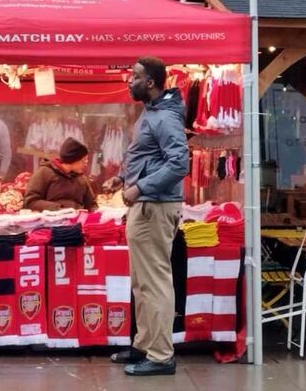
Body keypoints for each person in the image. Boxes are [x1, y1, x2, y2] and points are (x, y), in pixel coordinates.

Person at [103, 57, 189, 377]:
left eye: (135, 77)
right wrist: (122, 178)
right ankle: (144, 345)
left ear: (150, 83)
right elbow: (145, 155)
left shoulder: (164, 117)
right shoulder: (150, 112)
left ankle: (162, 355)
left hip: (155, 205)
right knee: (142, 282)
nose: (130, 81)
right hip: (146, 204)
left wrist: (140, 187)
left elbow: (179, 163)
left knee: (155, 283)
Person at [23, 137, 97, 211]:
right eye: (83, 161)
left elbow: (92, 205)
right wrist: (59, 209)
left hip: (77, 217)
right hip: (51, 217)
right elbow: (30, 202)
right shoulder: (44, 173)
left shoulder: (81, 179)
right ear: (73, 160)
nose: (85, 164)